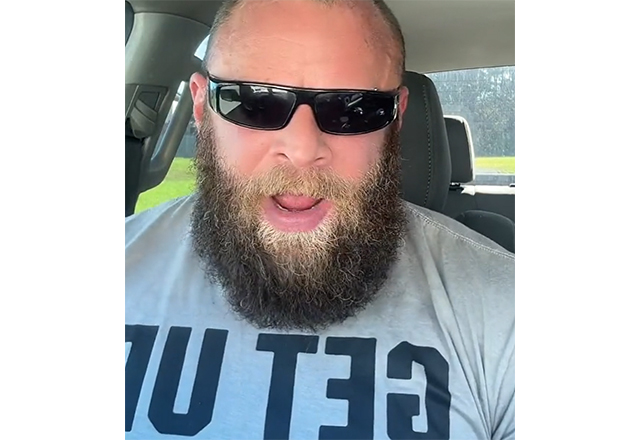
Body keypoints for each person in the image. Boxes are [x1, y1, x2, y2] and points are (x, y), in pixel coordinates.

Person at [125, 0, 515, 438]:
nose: (303, 150)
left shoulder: (505, 310)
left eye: (352, 109)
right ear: (201, 106)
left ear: (396, 119)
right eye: (255, 102)